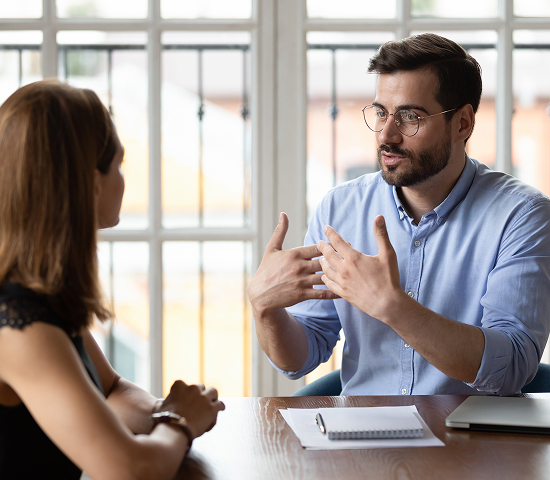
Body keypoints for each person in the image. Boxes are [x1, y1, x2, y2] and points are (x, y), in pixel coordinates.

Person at [247, 33, 550, 396]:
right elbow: (302, 357)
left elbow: (512, 366)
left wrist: (393, 306)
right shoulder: (340, 208)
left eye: (410, 117)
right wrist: (265, 308)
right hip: (362, 439)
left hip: (471, 443)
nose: (386, 135)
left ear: (463, 124)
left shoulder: (522, 216)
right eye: (380, 113)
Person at [0, 79, 225, 480]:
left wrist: (165, 412)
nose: (124, 180)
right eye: (118, 165)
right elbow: (131, 469)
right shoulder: (19, 324)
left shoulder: (39, 295)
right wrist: (179, 424)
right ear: (88, 181)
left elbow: (112, 390)